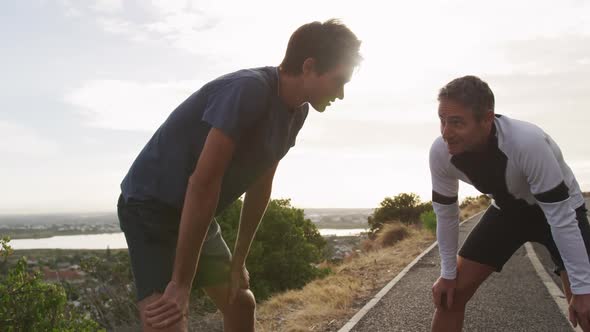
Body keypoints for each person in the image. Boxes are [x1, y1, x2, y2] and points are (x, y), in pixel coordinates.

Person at [117, 19, 362, 331]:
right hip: (151, 207)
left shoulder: (297, 111)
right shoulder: (249, 90)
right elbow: (203, 182)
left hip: (195, 212)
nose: (340, 94)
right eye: (338, 81)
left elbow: (261, 184)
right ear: (309, 67)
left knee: (240, 303)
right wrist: (180, 283)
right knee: (168, 318)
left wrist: (238, 262)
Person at [428, 75, 590, 331]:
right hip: (507, 213)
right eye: (442, 120)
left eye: (457, 122)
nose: (446, 133)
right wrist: (447, 274)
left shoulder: (527, 143)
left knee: (586, 305)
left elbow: (560, 217)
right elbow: (446, 214)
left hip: (559, 213)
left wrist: (582, 288)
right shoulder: (440, 153)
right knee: (450, 296)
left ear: (487, 119)